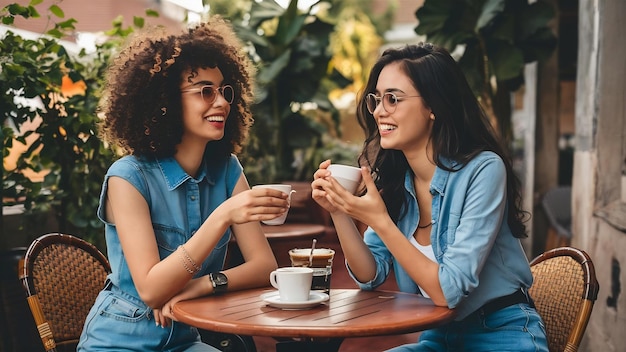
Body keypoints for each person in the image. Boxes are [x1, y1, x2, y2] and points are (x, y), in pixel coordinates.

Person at [311, 43, 548, 351]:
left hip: (502, 332)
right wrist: (339, 209)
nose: (380, 111)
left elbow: (448, 291)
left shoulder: (484, 170)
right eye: (377, 99)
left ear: (434, 105)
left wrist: (380, 221)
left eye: (393, 99)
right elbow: (369, 275)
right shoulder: (401, 183)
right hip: (438, 336)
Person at [78, 17, 286, 351]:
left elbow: (265, 268)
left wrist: (199, 286)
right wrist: (222, 216)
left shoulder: (227, 170)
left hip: (186, 340)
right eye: (205, 91)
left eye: (224, 91)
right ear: (166, 101)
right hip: (119, 341)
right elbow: (151, 290)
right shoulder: (127, 178)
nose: (221, 102)